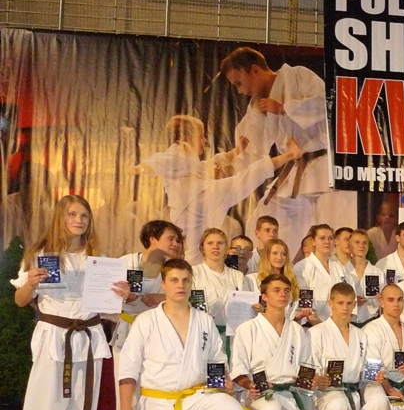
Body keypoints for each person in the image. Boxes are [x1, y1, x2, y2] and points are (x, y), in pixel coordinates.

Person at [12, 195, 123, 410]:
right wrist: (30, 284)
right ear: (60, 217)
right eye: (72, 214)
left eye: (84, 215)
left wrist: (122, 294)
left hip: (88, 337)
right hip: (53, 336)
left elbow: (109, 306)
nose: (79, 220)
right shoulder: (39, 255)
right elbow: (20, 301)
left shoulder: (98, 259)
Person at [118, 259, 245, 410]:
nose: (181, 285)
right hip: (161, 402)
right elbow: (128, 369)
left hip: (197, 396)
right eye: (174, 280)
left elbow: (216, 358)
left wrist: (221, 383)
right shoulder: (146, 321)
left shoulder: (204, 320)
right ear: (163, 284)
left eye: (186, 280)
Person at [132, 114, 301, 263]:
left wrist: (236, 151)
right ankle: (290, 154)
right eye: (200, 137)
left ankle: (193, 272)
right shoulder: (177, 151)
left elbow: (211, 163)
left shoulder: (189, 162)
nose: (204, 141)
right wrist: (140, 168)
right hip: (198, 199)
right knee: (245, 179)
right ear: (185, 137)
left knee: (194, 251)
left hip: (189, 211)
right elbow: (159, 162)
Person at [220, 47, 333, 255]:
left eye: (239, 83)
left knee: (328, 233)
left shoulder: (297, 75)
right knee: (261, 221)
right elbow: (251, 147)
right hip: (293, 173)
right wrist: (229, 167)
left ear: (255, 70)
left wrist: (283, 108)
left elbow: (326, 104)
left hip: (322, 170)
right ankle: (261, 270)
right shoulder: (257, 105)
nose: (240, 91)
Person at [112, 220, 182, 410]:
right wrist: (127, 297)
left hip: (159, 337)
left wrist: (163, 296)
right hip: (128, 333)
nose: (176, 244)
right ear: (153, 238)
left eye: (177, 240)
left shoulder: (173, 269)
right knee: (127, 396)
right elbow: (107, 296)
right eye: (171, 238)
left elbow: (189, 297)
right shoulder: (125, 263)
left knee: (155, 396)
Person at [231, 274, 313, 410]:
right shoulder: (247, 329)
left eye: (286, 291)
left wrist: (310, 380)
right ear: (264, 297)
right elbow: (238, 369)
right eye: (276, 290)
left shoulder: (296, 330)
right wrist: (249, 385)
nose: (282, 295)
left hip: (290, 394)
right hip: (259, 393)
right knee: (272, 409)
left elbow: (306, 365)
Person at [304, 282, 367, 410]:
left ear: (354, 304)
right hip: (327, 393)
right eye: (340, 303)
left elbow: (364, 367)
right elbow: (307, 366)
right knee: (337, 404)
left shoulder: (360, 335)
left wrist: (375, 374)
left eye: (349, 303)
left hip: (351, 393)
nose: (345, 308)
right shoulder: (316, 332)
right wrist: (317, 378)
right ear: (330, 303)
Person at [191, 228, 246, 347]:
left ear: (227, 248)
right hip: (202, 335)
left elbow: (244, 311)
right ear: (202, 248)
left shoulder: (238, 276)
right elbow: (193, 308)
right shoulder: (194, 273)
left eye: (220, 243)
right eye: (210, 243)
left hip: (232, 338)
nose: (215, 247)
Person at [293, 223, 347, 323]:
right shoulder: (302, 267)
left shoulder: (339, 266)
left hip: (336, 323)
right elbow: (304, 305)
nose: (327, 242)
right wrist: (320, 325)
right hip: (311, 325)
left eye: (330, 238)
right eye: (322, 238)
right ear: (313, 241)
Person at [347, 229, 384, 326]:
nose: (361, 246)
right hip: (348, 321)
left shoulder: (378, 272)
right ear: (350, 245)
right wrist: (352, 300)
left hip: (371, 321)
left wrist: (382, 298)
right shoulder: (342, 270)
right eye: (357, 242)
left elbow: (384, 300)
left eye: (365, 243)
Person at [367, 196, 399, 260]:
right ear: (378, 217)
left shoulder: (400, 234)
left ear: (396, 219)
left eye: (391, 215)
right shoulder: (371, 234)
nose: (387, 218)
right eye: (383, 214)